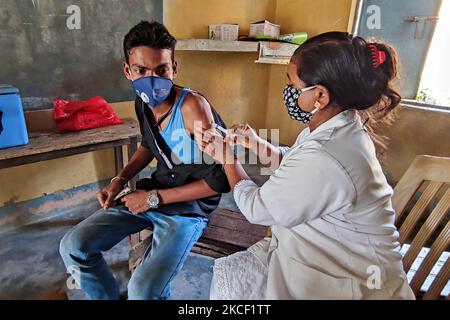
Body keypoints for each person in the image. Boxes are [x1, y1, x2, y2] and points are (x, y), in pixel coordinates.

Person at [196, 32, 415, 300]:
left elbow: (258, 208)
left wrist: (227, 158)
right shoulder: (337, 126)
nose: (289, 93)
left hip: (356, 284)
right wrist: (255, 143)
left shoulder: (327, 154)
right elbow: (296, 165)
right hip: (334, 259)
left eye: (293, 85)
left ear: (320, 94)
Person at [59, 21, 230, 300]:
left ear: (174, 68)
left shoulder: (192, 108)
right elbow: (149, 145)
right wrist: (120, 179)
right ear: (128, 70)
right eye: (141, 70)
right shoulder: (142, 101)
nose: (153, 79)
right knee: (73, 246)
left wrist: (153, 199)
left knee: (143, 290)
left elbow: (221, 179)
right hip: (153, 191)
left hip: (189, 208)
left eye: (161, 70)